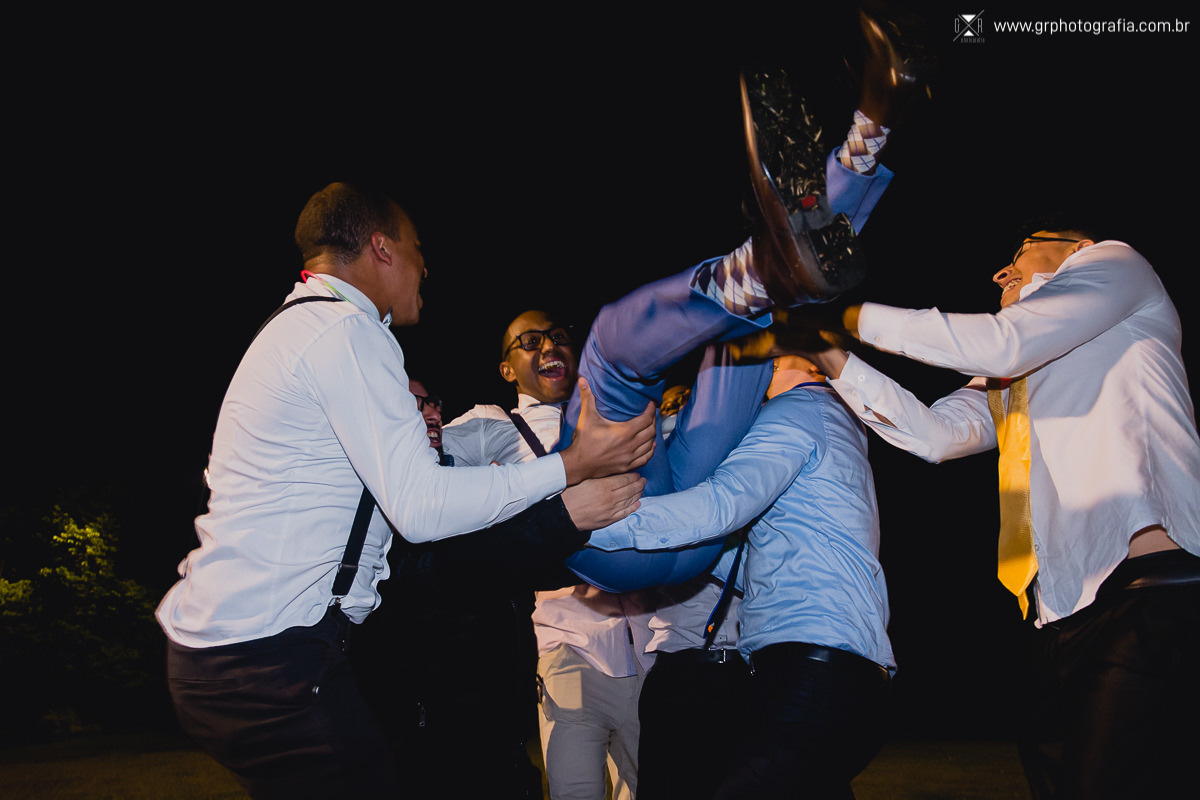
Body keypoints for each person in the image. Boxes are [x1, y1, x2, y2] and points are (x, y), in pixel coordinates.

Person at [155, 182, 653, 799]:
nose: (425, 267)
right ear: (382, 248)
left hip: (239, 654)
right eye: (418, 248)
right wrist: (571, 466)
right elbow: (422, 506)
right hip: (268, 657)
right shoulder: (344, 330)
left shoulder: (304, 328)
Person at [810, 223, 1200, 798]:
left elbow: (1004, 341)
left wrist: (848, 316)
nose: (1001, 273)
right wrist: (827, 353)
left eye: (1023, 250)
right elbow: (936, 434)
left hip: (1149, 590)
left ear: (1077, 248)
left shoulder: (1116, 264)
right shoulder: (1011, 372)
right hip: (1059, 612)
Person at [589, 349, 894, 799]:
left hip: (814, 668)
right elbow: (742, 555)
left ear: (810, 360)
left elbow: (720, 505)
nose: (758, 360)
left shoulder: (797, 409)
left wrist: (584, 528)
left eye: (773, 351)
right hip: (836, 671)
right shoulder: (837, 421)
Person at [444, 311, 656, 800]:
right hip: (567, 645)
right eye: (531, 341)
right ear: (506, 369)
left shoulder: (614, 416)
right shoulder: (491, 424)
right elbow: (420, 473)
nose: (549, 347)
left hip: (648, 646)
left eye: (559, 337)